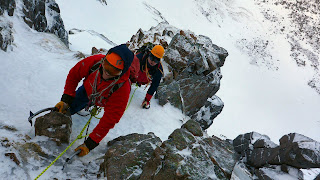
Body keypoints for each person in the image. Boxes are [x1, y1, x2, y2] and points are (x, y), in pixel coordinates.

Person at [54, 44, 133, 157]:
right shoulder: (95, 62)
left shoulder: (122, 89)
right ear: (104, 60)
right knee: (67, 109)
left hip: (103, 99)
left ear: (121, 72)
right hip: (87, 91)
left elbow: (110, 118)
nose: (107, 72)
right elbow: (74, 74)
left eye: (113, 71)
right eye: (106, 65)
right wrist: (66, 98)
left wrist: (90, 143)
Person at [130, 44, 165, 109]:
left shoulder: (158, 70)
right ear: (149, 54)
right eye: (152, 58)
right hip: (133, 77)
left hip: (143, 80)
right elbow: (128, 69)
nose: (153, 61)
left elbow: (154, 85)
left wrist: (147, 100)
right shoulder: (139, 58)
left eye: (156, 60)